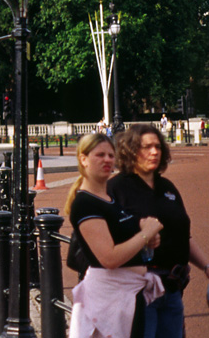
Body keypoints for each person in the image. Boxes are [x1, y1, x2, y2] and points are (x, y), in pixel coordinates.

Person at [108, 124, 209, 338]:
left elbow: (182, 236)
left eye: (158, 147)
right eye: (147, 147)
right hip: (138, 291)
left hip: (172, 289)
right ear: (131, 151)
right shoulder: (117, 189)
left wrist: (206, 265)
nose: (154, 152)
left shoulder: (168, 188)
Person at [64, 132, 164, 338]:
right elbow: (109, 258)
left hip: (126, 295)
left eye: (111, 155)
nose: (107, 160)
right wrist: (145, 235)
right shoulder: (85, 203)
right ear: (83, 159)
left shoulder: (107, 197)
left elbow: (123, 237)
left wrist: (145, 236)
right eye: (100, 155)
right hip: (110, 298)